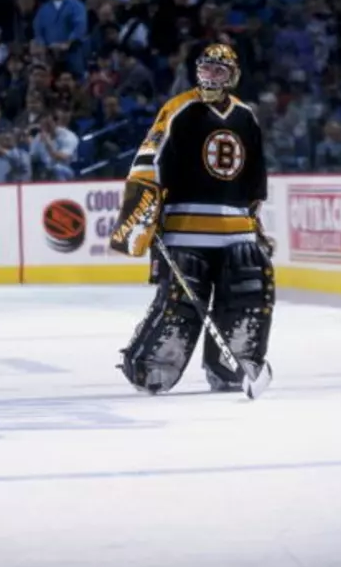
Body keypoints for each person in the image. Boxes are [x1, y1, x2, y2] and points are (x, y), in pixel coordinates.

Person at [109, 44, 274, 394]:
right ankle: (150, 366)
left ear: (233, 76)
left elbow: (255, 177)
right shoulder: (179, 108)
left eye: (219, 70)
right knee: (178, 306)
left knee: (247, 294)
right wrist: (143, 218)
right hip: (186, 230)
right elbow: (147, 162)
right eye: (206, 69)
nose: (211, 76)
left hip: (237, 230)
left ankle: (231, 369)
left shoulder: (246, 115)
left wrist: (256, 225)